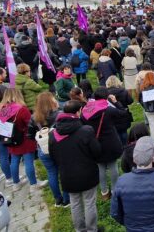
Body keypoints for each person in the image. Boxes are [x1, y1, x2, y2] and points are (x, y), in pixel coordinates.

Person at [49, 101, 102, 232]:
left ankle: (80, 229)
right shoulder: (86, 131)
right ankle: (92, 229)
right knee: (89, 202)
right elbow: (97, 151)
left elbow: (53, 156)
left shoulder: (53, 135)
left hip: (67, 175)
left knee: (75, 203)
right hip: (87, 172)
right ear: (78, 112)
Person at [112, 136, 154, 231]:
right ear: (153, 159)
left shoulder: (121, 181)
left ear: (134, 159)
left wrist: (128, 223)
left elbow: (115, 213)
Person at [80, 88, 125, 201]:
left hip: (94, 143)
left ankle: (104, 191)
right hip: (110, 142)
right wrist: (115, 102)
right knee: (113, 166)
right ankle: (115, 190)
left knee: (100, 167)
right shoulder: (108, 110)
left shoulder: (86, 110)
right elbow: (123, 112)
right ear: (106, 97)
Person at [0, 88, 45, 192]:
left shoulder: (1, 109)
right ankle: (33, 184)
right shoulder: (21, 109)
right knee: (28, 161)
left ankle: (16, 183)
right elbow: (29, 122)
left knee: (14, 160)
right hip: (24, 138)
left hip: (10, 138)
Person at [29, 92, 70, 207]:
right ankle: (67, 200)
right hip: (59, 147)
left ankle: (58, 200)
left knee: (51, 173)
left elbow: (30, 135)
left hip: (43, 149)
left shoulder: (34, 117)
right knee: (63, 172)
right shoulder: (59, 114)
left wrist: (40, 139)